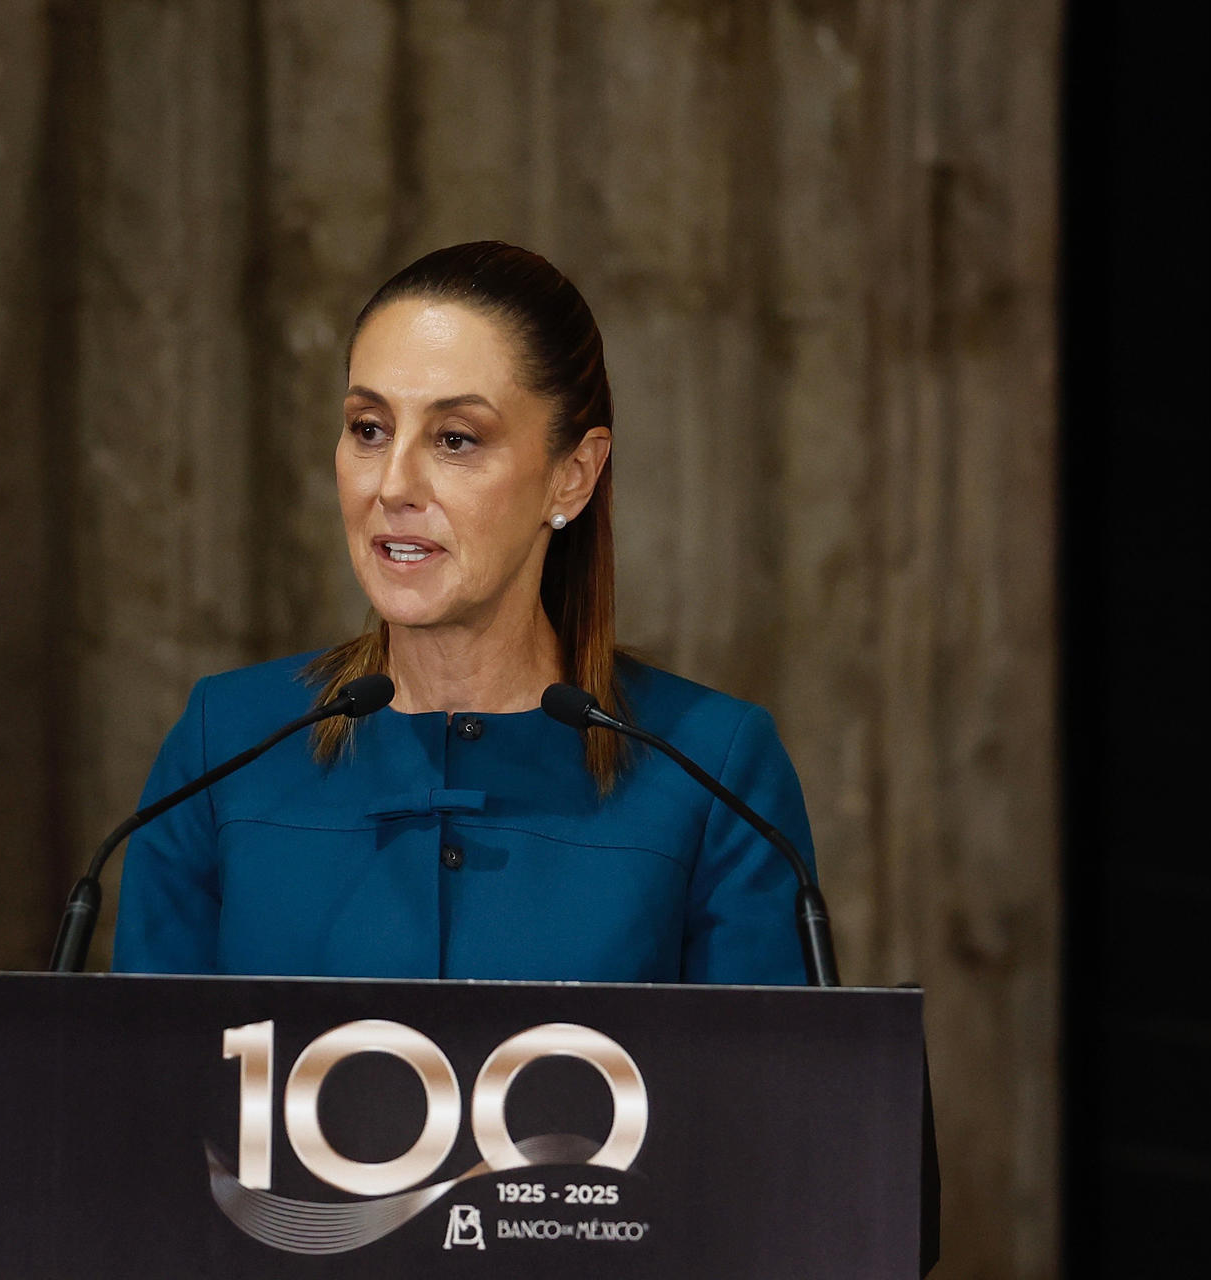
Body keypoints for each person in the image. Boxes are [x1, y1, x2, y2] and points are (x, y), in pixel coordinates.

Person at [111, 241, 818, 985]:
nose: (393, 485)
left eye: (455, 439)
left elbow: (764, 1095)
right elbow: (147, 1087)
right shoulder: (221, 749)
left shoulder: (713, 772)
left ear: (571, 477)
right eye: (369, 428)